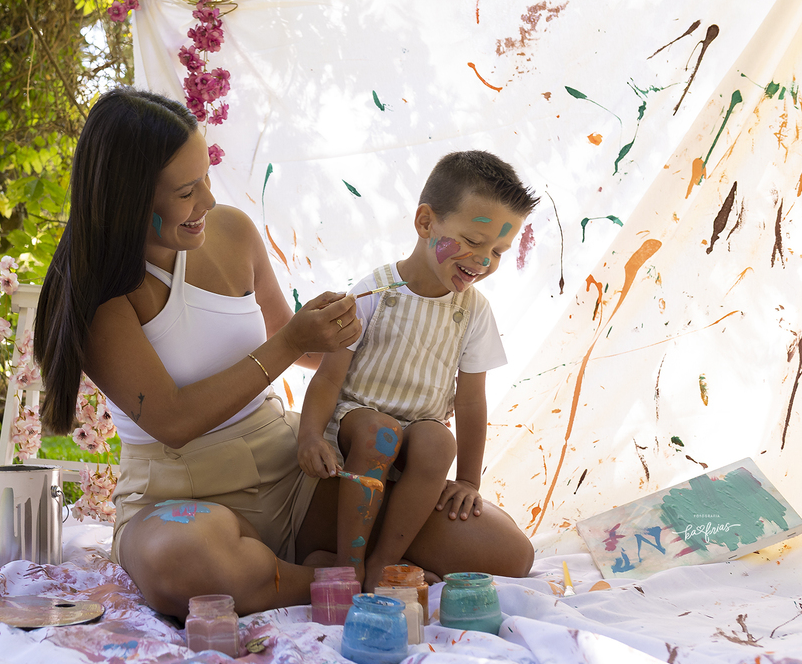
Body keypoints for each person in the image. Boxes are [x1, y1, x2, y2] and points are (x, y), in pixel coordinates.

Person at [36, 89, 533, 618]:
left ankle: (304, 568)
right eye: (186, 191)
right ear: (130, 198)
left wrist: (389, 338)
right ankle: (337, 579)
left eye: (206, 177)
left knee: (506, 552)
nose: (207, 200)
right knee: (182, 561)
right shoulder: (97, 295)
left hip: (287, 469)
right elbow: (174, 421)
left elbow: (312, 352)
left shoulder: (231, 232)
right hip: (179, 499)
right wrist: (293, 339)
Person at [296, 150, 538, 591]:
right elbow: (330, 376)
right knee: (379, 432)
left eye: (499, 251)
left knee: (437, 439)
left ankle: (383, 564)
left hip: (413, 442)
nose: (483, 261)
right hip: (358, 426)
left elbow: (470, 402)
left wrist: (467, 480)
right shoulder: (376, 291)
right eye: (474, 241)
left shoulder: (474, 311)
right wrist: (310, 436)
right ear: (426, 223)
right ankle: (348, 567)